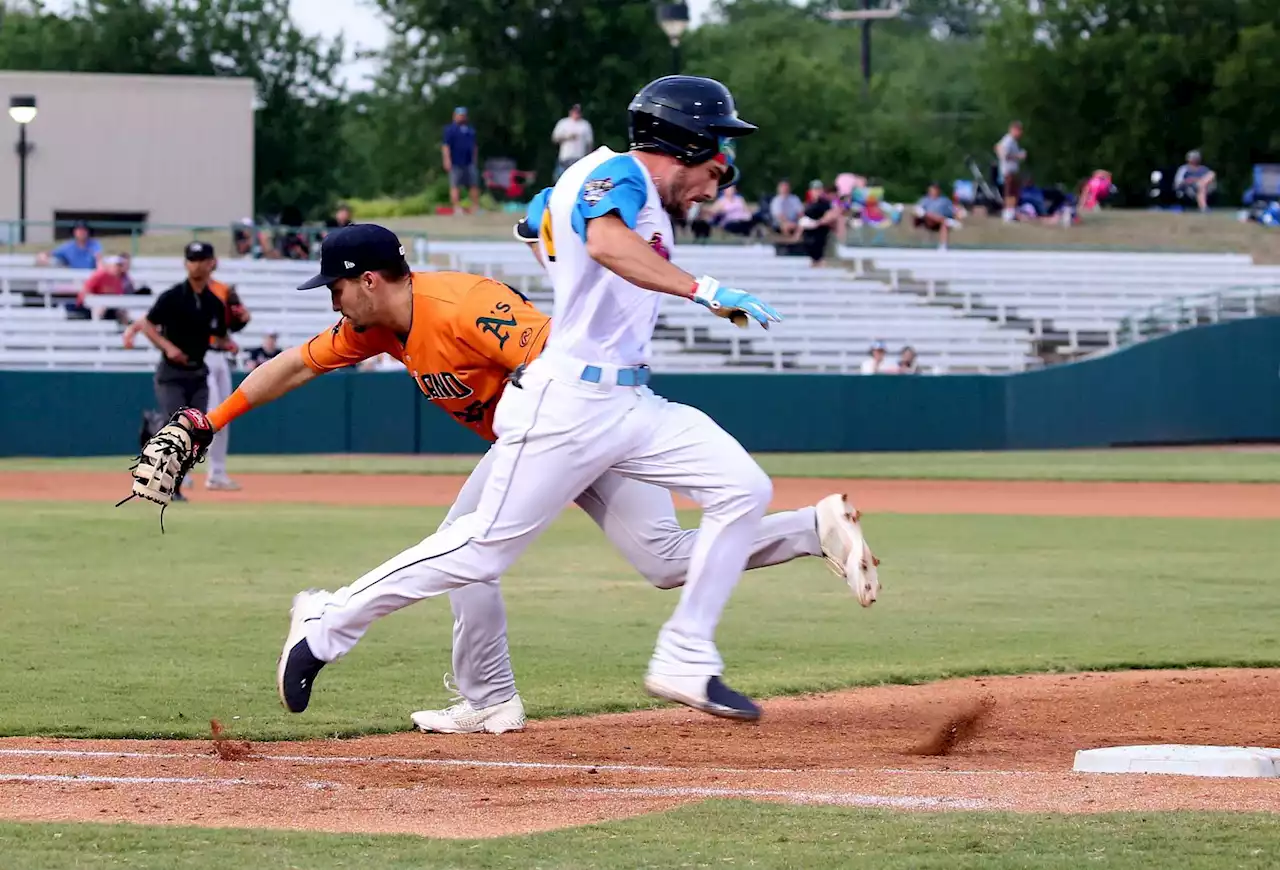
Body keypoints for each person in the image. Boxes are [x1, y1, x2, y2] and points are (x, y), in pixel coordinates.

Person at [267, 76, 877, 725]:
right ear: (686, 140)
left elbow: (538, 223)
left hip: (632, 403)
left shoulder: (608, 184)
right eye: (718, 148)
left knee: (744, 489)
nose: (724, 169)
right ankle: (325, 622)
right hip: (569, 399)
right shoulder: (622, 173)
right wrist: (704, 289)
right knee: (480, 550)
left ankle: (685, 654)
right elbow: (607, 244)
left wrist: (548, 216)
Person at [190, 222, 877, 734]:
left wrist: (532, 409)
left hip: (564, 430)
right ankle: (808, 531)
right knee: (660, 561)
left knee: (468, 546)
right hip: (552, 444)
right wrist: (210, 421)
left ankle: (328, 621)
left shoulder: (461, 304)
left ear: (369, 279)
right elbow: (294, 364)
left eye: (335, 286)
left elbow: (547, 349)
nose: (332, 302)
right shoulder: (373, 330)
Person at [122, 241, 233, 501]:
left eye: (201, 259)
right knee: (179, 427)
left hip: (198, 373)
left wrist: (228, 342)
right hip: (171, 373)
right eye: (191, 259)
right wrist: (167, 347)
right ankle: (173, 487)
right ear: (186, 264)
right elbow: (148, 325)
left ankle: (154, 425)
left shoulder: (213, 303)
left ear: (211, 263)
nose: (196, 264)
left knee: (196, 431)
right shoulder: (172, 297)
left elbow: (218, 336)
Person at [204, 263, 251, 491]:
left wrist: (242, 317)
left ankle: (217, 472)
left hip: (220, 358)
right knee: (209, 416)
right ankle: (180, 472)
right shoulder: (186, 294)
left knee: (223, 416)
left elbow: (234, 320)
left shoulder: (223, 290)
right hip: (199, 357)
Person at [442, 107, 480, 214]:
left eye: (463, 115)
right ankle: (457, 208)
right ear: (455, 116)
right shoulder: (450, 130)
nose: (461, 117)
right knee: (455, 185)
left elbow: (474, 146)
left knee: (474, 185)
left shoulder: (470, 130)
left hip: (469, 162)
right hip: (455, 162)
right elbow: (446, 146)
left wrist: (475, 159)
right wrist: (446, 160)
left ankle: (475, 207)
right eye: (459, 115)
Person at [551, 104, 594, 180]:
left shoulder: (585, 125)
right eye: (575, 111)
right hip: (565, 157)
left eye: (578, 112)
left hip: (579, 157)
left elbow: (589, 143)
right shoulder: (563, 123)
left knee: (577, 179)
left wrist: (589, 157)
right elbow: (555, 139)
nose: (576, 114)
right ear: (570, 112)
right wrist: (567, 137)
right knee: (561, 178)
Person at [995, 121, 1026, 223]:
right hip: (1008, 170)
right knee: (1009, 192)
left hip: (1013, 170)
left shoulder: (1013, 141)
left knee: (1014, 192)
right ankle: (1007, 213)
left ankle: (1011, 213)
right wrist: (1018, 156)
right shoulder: (1008, 140)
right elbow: (1001, 150)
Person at [913, 183, 960, 250]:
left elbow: (952, 211)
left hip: (938, 222)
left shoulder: (944, 201)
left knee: (944, 223)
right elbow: (917, 210)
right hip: (926, 221)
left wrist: (957, 213)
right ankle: (946, 221)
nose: (932, 192)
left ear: (938, 191)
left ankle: (943, 245)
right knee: (925, 213)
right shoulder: (924, 200)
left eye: (934, 191)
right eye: (931, 191)